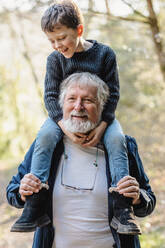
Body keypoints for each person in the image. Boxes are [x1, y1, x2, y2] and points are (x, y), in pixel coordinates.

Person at [11, 0, 138, 234]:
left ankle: (122, 208)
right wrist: (65, 128)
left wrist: (102, 126)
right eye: (51, 40)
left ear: (79, 30)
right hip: (61, 118)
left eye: (62, 38)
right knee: (46, 136)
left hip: (102, 119)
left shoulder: (104, 54)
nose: (57, 45)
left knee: (117, 140)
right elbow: (50, 96)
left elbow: (113, 93)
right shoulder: (55, 60)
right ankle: (35, 202)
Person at [7, 73, 156, 248]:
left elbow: (149, 201)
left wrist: (138, 197)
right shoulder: (46, 147)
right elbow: (13, 192)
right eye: (71, 99)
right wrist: (23, 192)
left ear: (102, 107)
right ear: (62, 104)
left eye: (88, 100)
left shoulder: (123, 146)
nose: (78, 106)